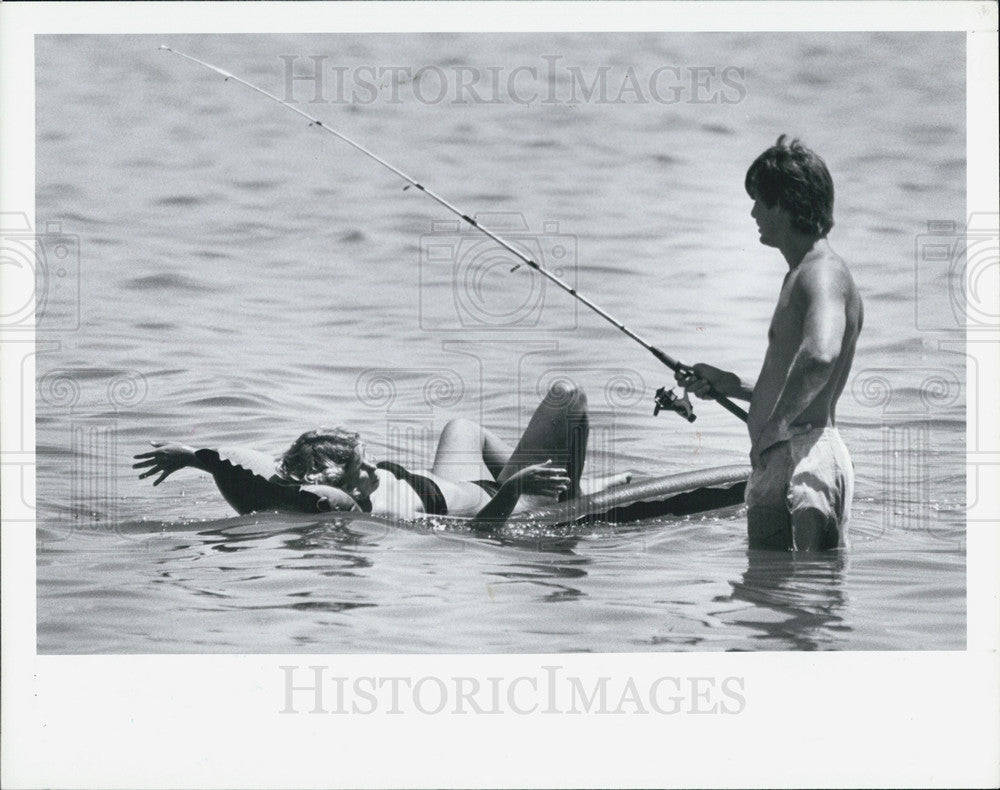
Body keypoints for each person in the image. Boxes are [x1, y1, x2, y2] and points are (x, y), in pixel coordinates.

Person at [677, 135, 863, 551]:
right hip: (782, 454)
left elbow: (819, 357)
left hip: (805, 454)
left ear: (789, 203)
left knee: (812, 600)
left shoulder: (823, 272)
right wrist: (734, 387)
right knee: (767, 598)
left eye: (761, 200)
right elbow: (802, 379)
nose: (753, 211)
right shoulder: (799, 274)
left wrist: (774, 427)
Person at [134, 381, 607, 526]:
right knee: (569, 397)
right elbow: (483, 533)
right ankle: (568, 496)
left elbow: (256, 467)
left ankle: (565, 481)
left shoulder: (309, 468)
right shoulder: (382, 511)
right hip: (507, 502)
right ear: (341, 488)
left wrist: (190, 455)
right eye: (362, 472)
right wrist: (520, 489)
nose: (373, 473)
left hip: (463, 478)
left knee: (461, 426)